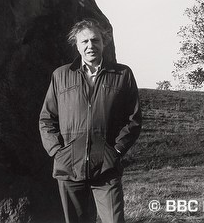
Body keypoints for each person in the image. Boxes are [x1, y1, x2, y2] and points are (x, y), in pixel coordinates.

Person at [39, 19, 142, 223]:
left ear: (104, 42)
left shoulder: (122, 75)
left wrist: (117, 150)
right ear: (76, 45)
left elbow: (133, 119)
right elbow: (46, 118)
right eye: (84, 41)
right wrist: (57, 152)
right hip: (69, 167)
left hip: (106, 167)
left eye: (95, 40)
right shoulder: (61, 76)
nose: (90, 45)